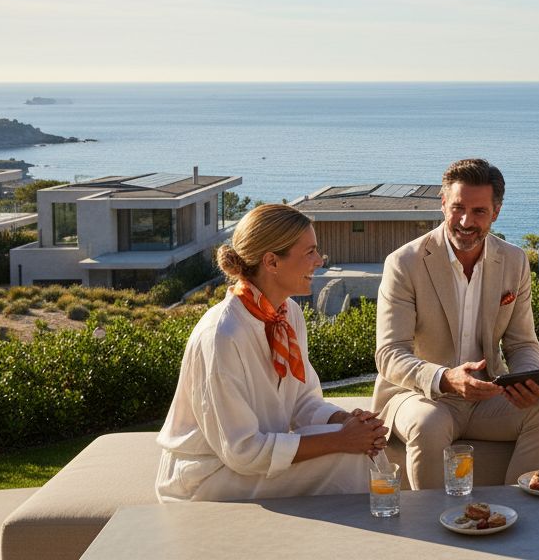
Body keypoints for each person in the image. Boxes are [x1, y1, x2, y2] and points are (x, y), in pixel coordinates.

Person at [156, 204, 386, 502]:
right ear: (271, 262)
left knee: (364, 448)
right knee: (350, 459)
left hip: (250, 463)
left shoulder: (288, 314)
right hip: (207, 476)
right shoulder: (222, 335)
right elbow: (241, 450)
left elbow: (302, 401)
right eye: (310, 252)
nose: (319, 261)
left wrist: (347, 422)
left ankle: (360, 529)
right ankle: (364, 531)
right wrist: (341, 440)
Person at [372, 158, 539, 488]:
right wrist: (445, 378)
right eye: (458, 208)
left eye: (479, 211)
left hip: (487, 398)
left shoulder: (514, 260)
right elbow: (389, 354)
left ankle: (517, 508)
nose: (466, 221)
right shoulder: (404, 263)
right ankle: (434, 520)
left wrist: (528, 381)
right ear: (443, 203)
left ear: (496, 212)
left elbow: (522, 343)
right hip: (419, 396)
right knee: (429, 424)